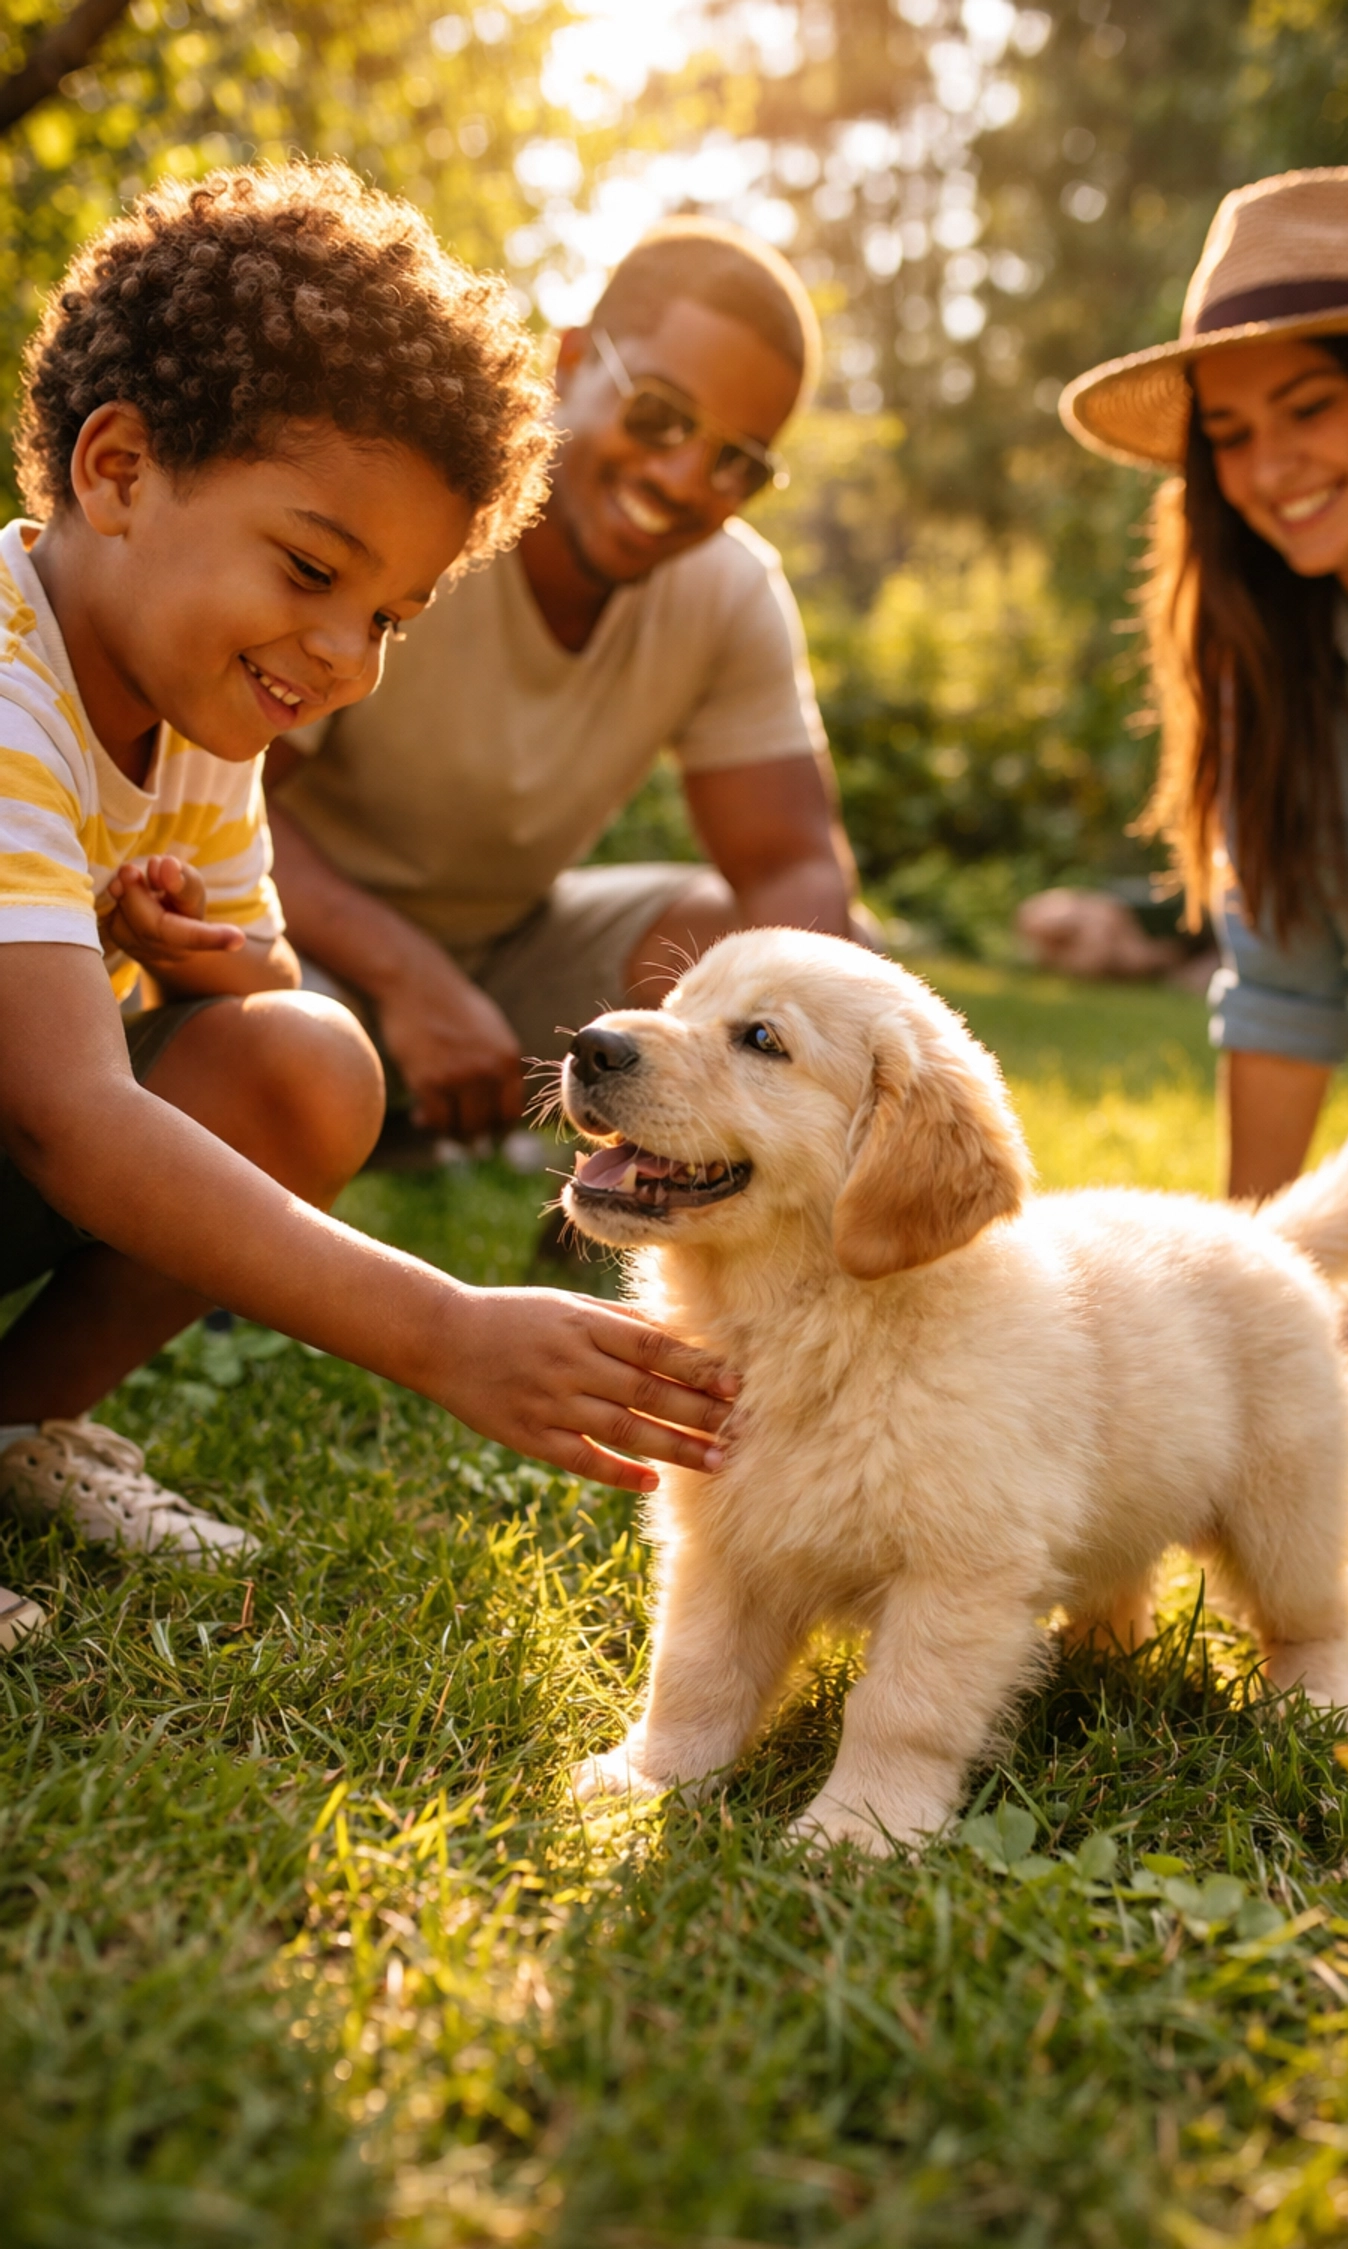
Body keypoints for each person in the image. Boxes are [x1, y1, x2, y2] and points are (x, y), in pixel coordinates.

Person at [0, 166, 737, 1654]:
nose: (348, 656)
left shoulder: (201, 712)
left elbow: (258, 978)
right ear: (119, 472)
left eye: (391, 615)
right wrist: (444, 1331)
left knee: (308, 1060)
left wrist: (184, 950)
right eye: (314, 570)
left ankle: (16, 1425)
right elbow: (66, 1118)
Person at [1060, 164, 1348, 1414]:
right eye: (1230, 434)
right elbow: (1279, 998)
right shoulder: (1274, 673)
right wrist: (1222, 1310)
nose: (1268, 469)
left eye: (1309, 408)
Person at [263, 217, 866, 1148]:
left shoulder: (732, 589)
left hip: (513, 954)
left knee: (745, 935)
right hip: (298, 932)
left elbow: (789, 864)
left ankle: (520, 1126)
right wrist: (410, 977)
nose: (681, 478)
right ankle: (389, 1103)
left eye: (735, 463)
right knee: (286, 1042)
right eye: (660, 414)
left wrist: (811, 1068)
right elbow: (228, 801)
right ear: (572, 361)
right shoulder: (425, 519)